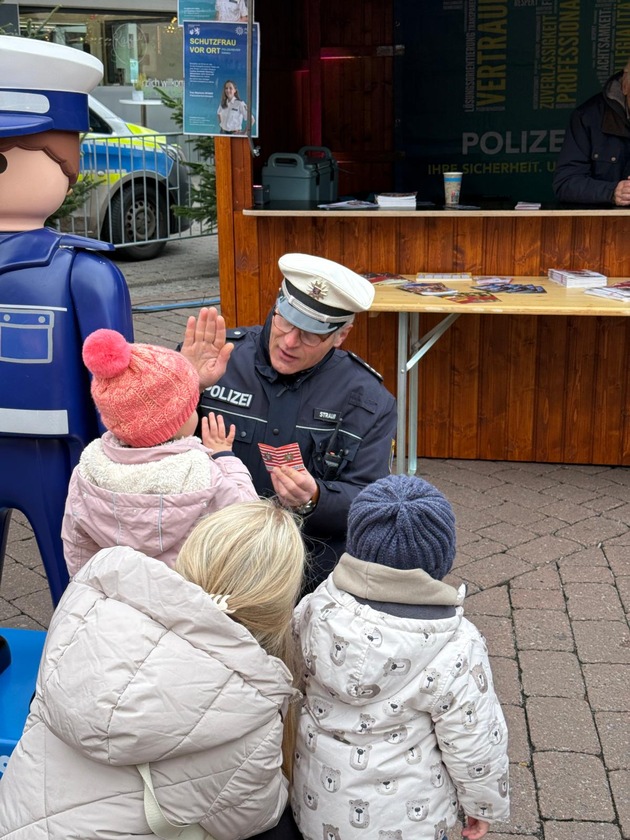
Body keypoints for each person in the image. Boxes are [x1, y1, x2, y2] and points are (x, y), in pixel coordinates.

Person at [0, 499, 306, 839]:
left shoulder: (90, 608)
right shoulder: (254, 716)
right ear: (278, 611)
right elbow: (253, 818)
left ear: (191, 554)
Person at [292, 474, 510, 840]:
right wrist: (482, 805)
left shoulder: (315, 607)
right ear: (442, 556)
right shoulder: (457, 644)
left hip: (318, 807)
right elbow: (474, 737)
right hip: (410, 822)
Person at [0, 36, 133, 606]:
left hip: (57, 448)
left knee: (75, 572)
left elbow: (118, 378)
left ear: (64, 165)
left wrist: (118, 459)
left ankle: (82, 649)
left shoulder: (83, 272)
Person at [182, 253, 397, 590]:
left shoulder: (368, 400)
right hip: (209, 560)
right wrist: (183, 387)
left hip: (305, 576)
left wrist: (316, 498)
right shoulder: (214, 358)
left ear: (341, 335)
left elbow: (370, 502)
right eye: (285, 321)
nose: (289, 341)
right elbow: (146, 447)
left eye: (311, 335)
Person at [62, 328, 257, 576]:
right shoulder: (200, 474)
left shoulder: (88, 470)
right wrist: (225, 457)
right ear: (175, 422)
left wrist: (85, 585)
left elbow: (77, 543)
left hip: (117, 595)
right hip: (186, 595)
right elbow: (248, 517)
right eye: (191, 406)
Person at [553, 58, 630, 205]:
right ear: (625, 86)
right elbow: (566, 182)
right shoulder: (588, 117)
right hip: (602, 218)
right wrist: (613, 192)